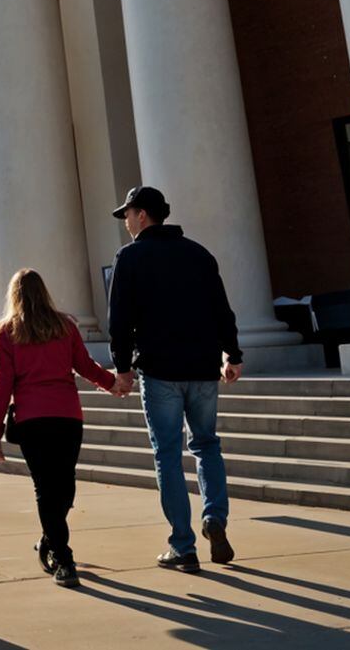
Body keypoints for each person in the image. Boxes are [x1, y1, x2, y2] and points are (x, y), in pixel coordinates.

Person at [104, 185, 243, 572]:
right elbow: (222, 309)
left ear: (142, 215)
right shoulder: (199, 254)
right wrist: (232, 354)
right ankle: (214, 518)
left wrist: (122, 368)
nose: (126, 223)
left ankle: (183, 545)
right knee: (207, 445)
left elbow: (119, 321)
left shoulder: (130, 258)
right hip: (201, 369)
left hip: (160, 370)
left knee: (167, 454)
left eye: (128, 215)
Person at [0, 268, 117, 589]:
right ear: (44, 292)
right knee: (64, 484)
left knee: (47, 489)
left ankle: (58, 551)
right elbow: (85, 366)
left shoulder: (9, 334)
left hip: (33, 421)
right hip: (67, 417)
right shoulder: (65, 327)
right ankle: (60, 550)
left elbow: (1, 386)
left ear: (14, 296)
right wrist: (112, 382)